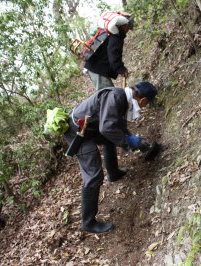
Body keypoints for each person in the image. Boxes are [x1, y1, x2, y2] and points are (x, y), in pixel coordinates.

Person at [64, 81, 157, 233]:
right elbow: (107, 128)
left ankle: (113, 173)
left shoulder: (121, 98)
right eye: (147, 103)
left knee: (109, 140)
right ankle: (88, 222)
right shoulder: (117, 97)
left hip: (90, 128)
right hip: (78, 132)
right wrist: (128, 141)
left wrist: (133, 141)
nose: (146, 106)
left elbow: (117, 126)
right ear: (143, 100)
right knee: (93, 175)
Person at [84, 15, 133, 91]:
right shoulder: (116, 37)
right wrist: (121, 69)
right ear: (124, 25)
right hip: (98, 70)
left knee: (108, 96)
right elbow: (113, 55)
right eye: (129, 27)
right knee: (109, 96)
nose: (128, 30)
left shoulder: (109, 33)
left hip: (94, 68)